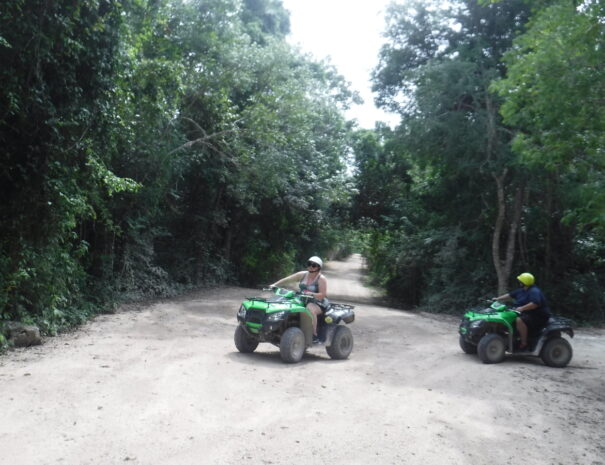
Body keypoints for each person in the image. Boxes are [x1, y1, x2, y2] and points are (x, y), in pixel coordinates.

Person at [271, 256, 328, 343]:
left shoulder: (321, 279)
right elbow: (288, 279)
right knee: (286, 303)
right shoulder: (303, 274)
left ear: (318, 267)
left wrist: (312, 294)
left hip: (318, 302)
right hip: (302, 299)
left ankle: (314, 334)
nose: (310, 267)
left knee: (310, 308)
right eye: (309, 264)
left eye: (314, 265)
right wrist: (274, 284)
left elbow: (323, 295)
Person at [493, 272, 551, 351]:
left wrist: (522, 308)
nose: (519, 282)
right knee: (505, 316)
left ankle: (524, 343)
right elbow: (510, 295)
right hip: (526, 313)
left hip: (538, 316)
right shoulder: (522, 290)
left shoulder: (534, 291)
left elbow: (535, 304)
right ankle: (507, 336)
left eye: (520, 281)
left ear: (524, 282)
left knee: (519, 320)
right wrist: (497, 299)